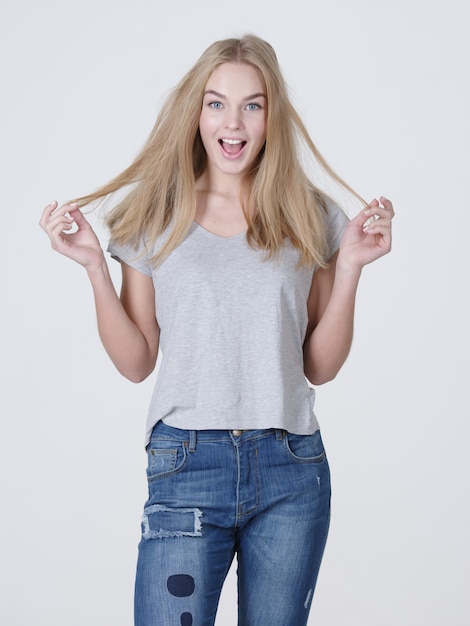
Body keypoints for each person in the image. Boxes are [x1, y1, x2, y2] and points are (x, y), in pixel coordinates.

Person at [40, 34, 394, 626]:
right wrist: (94, 268)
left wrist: (351, 265)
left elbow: (319, 367)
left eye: (252, 105)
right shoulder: (154, 215)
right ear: (196, 112)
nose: (234, 123)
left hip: (291, 468)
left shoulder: (309, 214)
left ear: (271, 115)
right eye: (216, 103)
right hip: (187, 464)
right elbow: (136, 362)